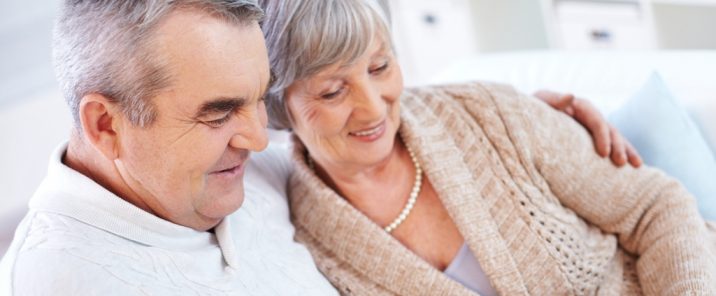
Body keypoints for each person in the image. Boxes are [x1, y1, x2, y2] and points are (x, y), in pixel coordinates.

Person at [258, 0, 716, 295]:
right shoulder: (300, 245)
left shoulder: (487, 113)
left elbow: (655, 207)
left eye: (380, 66)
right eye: (333, 92)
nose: (373, 107)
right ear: (280, 106)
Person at [0, 1, 336, 294]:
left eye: (259, 97)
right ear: (105, 126)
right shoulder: (57, 282)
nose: (259, 140)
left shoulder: (267, 172)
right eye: (219, 115)